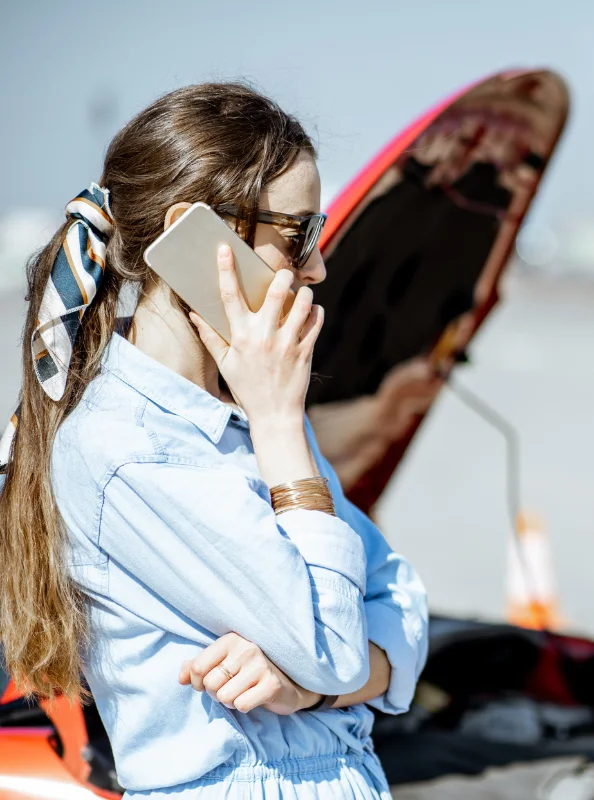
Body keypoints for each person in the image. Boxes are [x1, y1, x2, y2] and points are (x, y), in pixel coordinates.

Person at [0, 83, 428, 800]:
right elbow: (336, 646)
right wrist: (282, 426)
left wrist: (315, 691)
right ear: (195, 237)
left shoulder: (245, 411)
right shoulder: (125, 451)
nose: (317, 268)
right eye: (297, 235)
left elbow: (399, 596)